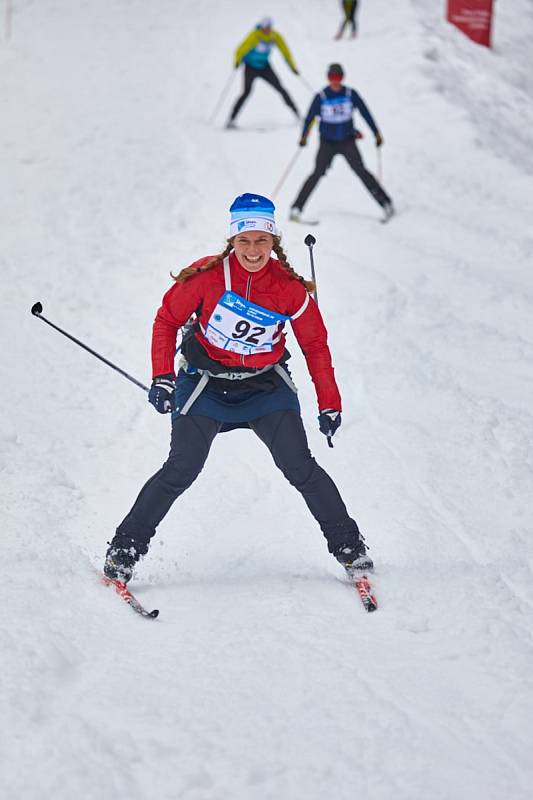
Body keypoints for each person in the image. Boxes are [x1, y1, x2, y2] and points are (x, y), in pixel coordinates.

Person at [104, 193, 373, 584]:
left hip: (265, 388)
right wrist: (162, 376)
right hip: (205, 385)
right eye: (244, 241)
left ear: (273, 241)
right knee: (181, 469)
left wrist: (329, 404)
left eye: (261, 240)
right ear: (232, 241)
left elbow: (315, 345)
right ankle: (124, 549)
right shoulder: (205, 277)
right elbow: (166, 321)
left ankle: (350, 548)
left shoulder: (288, 287)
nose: (252, 250)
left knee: (300, 467)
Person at [290, 63, 394, 223]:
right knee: (317, 173)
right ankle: (296, 208)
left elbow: (366, 113)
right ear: (328, 78)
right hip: (328, 143)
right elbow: (310, 118)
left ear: (342, 78)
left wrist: (376, 132)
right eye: (332, 78)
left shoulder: (350, 94)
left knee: (361, 171)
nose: (335, 81)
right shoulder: (321, 97)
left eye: (338, 78)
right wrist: (304, 136)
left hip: (347, 141)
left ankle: (386, 203)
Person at [226, 17, 300, 129]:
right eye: (265, 28)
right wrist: (237, 61)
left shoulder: (275, 37)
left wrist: (292, 67)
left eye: (269, 28)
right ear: (261, 27)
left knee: (280, 88)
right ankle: (231, 120)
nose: (267, 30)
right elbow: (240, 49)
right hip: (250, 67)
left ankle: (298, 115)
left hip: (265, 67)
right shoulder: (254, 36)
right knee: (246, 92)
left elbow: (285, 52)